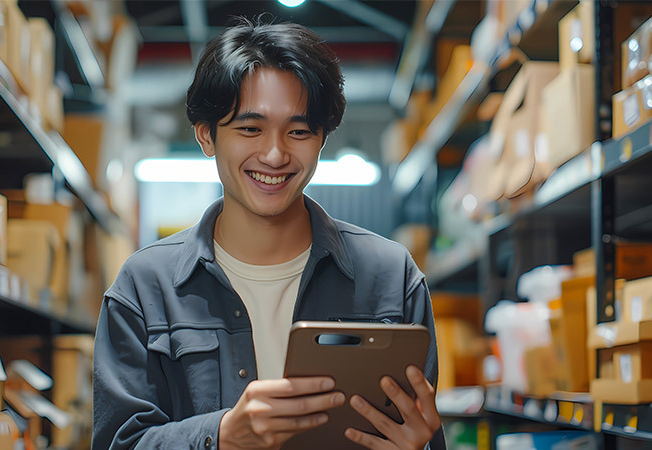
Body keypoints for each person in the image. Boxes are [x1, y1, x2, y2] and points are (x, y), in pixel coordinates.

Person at [93, 18, 445, 450]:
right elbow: (118, 443)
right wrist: (221, 437)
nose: (276, 154)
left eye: (298, 131)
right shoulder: (144, 287)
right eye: (250, 129)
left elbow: (424, 433)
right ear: (207, 136)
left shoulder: (392, 277)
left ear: (322, 139)